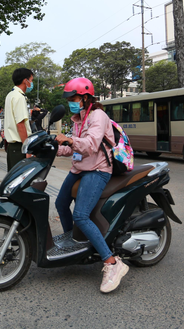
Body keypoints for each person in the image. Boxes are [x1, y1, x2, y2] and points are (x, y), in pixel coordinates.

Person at [54, 77, 129, 293]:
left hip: (97, 169)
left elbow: (90, 145)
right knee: (60, 203)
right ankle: (75, 244)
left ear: (85, 97)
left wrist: (69, 140)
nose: (71, 101)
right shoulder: (78, 118)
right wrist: (53, 148)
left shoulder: (98, 116)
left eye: (73, 97)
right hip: (80, 168)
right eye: (69, 98)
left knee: (81, 215)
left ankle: (112, 263)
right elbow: (75, 149)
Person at [4, 68, 34, 171]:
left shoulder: (10, 95)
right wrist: (27, 150)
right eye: (31, 80)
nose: (31, 83)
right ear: (25, 81)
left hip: (13, 147)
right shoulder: (19, 97)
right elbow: (20, 124)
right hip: (19, 146)